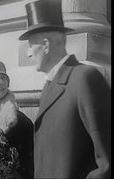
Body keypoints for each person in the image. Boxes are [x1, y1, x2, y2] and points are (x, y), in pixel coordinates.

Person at [19, 0, 111, 178]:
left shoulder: (85, 78)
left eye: (31, 45)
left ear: (45, 45)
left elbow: (106, 161)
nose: (28, 53)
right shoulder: (49, 86)